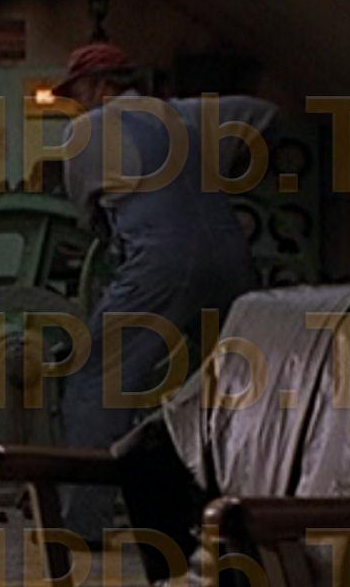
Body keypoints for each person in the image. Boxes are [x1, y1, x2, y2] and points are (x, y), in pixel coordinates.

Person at [52, 43, 279, 539]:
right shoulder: (187, 114)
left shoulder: (87, 131)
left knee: (98, 380)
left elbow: (85, 212)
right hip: (232, 259)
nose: (78, 103)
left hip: (162, 265)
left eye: (78, 92)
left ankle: (82, 525)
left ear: (100, 86)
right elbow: (263, 113)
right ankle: (261, 509)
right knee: (242, 381)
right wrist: (219, 166)